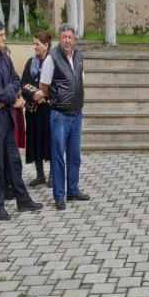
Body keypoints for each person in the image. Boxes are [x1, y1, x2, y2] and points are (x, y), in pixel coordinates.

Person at [0, 18, 43, 221]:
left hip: (7, 118)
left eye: (4, 34)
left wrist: (9, 98)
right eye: (1, 34)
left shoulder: (5, 57)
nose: (4, 37)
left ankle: (23, 200)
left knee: (14, 161)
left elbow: (15, 79)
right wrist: (11, 98)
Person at [39, 24, 90, 210]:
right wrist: (57, 97)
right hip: (59, 114)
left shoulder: (78, 55)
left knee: (75, 156)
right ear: (59, 39)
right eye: (63, 37)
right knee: (58, 156)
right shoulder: (52, 58)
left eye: (70, 37)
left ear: (74, 39)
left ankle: (73, 190)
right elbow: (43, 86)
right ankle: (59, 195)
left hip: (77, 113)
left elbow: (80, 80)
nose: (67, 40)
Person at [21, 31, 52, 186]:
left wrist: (43, 95)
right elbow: (24, 83)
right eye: (34, 44)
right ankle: (40, 175)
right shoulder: (30, 63)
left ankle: (53, 175)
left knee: (50, 141)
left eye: (37, 44)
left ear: (46, 45)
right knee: (35, 141)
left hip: (48, 110)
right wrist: (34, 95)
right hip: (33, 110)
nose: (35, 47)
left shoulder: (53, 62)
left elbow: (56, 84)